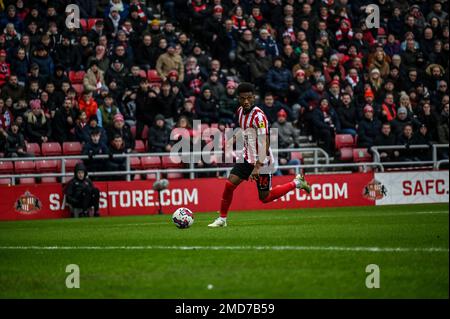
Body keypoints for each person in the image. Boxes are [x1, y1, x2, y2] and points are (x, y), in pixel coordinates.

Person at [208, 83, 311, 228]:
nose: (246, 101)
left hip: (263, 161)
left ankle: (297, 183)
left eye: (249, 98)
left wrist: (257, 167)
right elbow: (244, 129)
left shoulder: (259, 117)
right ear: (238, 99)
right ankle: (222, 219)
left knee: (265, 197)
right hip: (247, 156)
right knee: (229, 184)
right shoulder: (240, 111)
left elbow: (266, 143)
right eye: (243, 98)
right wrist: (232, 139)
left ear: (254, 98)